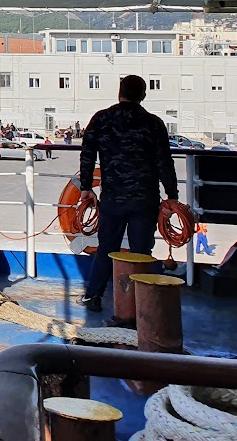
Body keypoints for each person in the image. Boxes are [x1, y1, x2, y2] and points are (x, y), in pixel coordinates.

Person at [79, 74, 178, 313]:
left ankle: (93, 297)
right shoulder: (153, 123)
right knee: (142, 252)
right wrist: (172, 195)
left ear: (119, 92)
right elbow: (165, 161)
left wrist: (85, 188)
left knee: (106, 248)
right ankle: (140, 304)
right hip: (145, 200)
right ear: (143, 95)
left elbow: (87, 154)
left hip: (112, 199)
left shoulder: (101, 119)